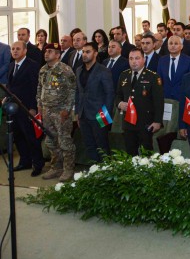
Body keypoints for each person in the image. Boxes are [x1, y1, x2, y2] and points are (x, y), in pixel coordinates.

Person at [38, 43, 77, 182]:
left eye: (50, 51)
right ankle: (56, 167)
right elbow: (39, 88)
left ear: (57, 55)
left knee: (64, 141)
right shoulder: (43, 69)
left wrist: (67, 109)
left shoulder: (65, 70)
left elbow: (72, 91)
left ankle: (68, 169)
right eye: (46, 51)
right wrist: (39, 104)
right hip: (46, 111)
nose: (46, 53)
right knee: (50, 141)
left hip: (60, 112)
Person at [4, 41, 43, 176]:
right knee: (18, 136)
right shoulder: (11, 65)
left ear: (25, 51)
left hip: (26, 107)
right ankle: (25, 161)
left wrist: (33, 107)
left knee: (31, 137)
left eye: (18, 49)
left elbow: (35, 88)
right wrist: (6, 97)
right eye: (13, 49)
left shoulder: (32, 66)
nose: (15, 51)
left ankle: (38, 164)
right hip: (13, 108)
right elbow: (10, 85)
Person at [115, 48, 164, 156]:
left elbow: (158, 101)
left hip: (145, 122)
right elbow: (118, 95)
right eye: (131, 58)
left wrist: (158, 121)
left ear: (143, 60)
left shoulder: (153, 76)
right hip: (128, 123)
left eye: (137, 58)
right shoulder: (124, 75)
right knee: (130, 153)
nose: (133, 61)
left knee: (146, 154)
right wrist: (119, 104)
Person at [74, 42, 114, 163]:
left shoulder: (103, 71)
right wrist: (77, 113)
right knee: (89, 144)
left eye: (88, 52)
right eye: (83, 52)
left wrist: (105, 116)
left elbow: (110, 94)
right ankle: (95, 169)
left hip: (99, 114)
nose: (84, 54)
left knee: (102, 145)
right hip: (83, 114)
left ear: (95, 53)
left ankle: (106, 170)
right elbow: (77, 92)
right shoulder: (79, 70)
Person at [157, 35, 190, 101]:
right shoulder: (162, 60)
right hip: (165, 97)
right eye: (170, 43)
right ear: (167, 46)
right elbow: (159, 79)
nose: (173, 46)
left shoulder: (189, 60)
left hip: (182, 98)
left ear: (181, 46)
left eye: (176, 43)